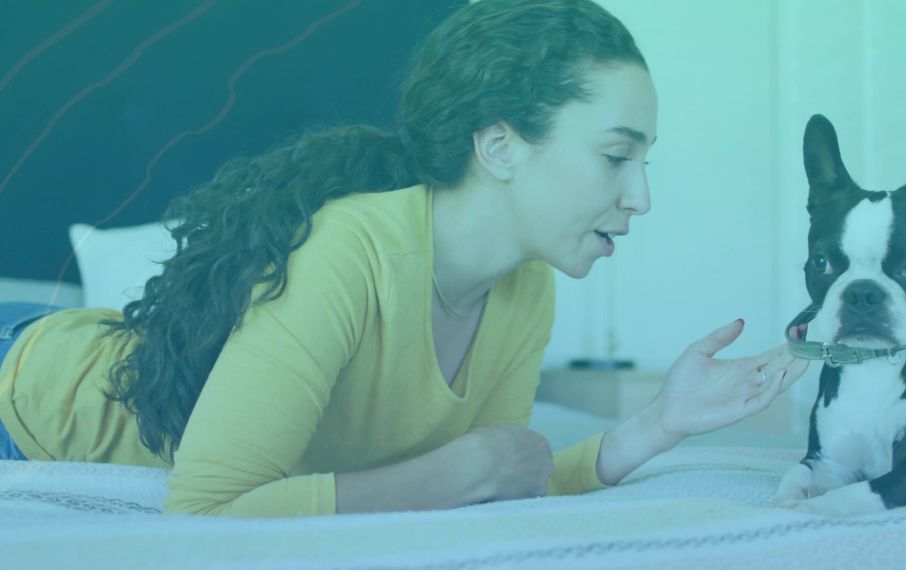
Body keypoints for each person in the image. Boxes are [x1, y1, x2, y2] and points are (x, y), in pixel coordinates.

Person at [0, 0, 809, 517]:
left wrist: (664, 421)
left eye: (645, 162)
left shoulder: (523, 286)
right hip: (24, 396)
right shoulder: (351, 252)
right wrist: (455, 474)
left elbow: (505, 474)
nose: (641, 196)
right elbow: (210, 507)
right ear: (499, 147)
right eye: (614, 157)